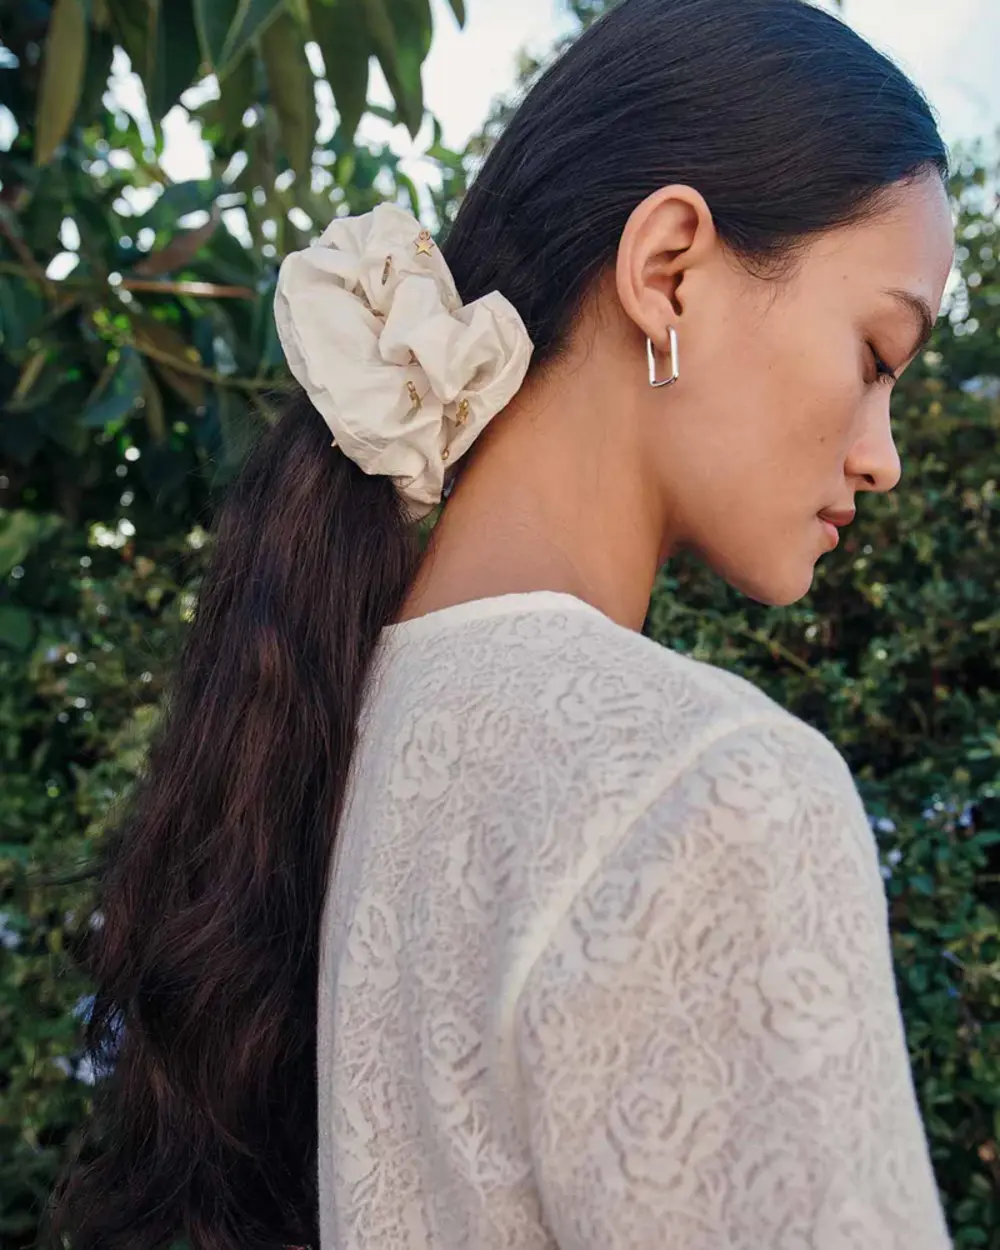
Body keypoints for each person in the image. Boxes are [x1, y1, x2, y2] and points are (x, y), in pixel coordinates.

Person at [49, 0, 957, 1248]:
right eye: (875, 354)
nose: (881, 456)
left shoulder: (328, 730)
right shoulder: (714, 790)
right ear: (668, 270)